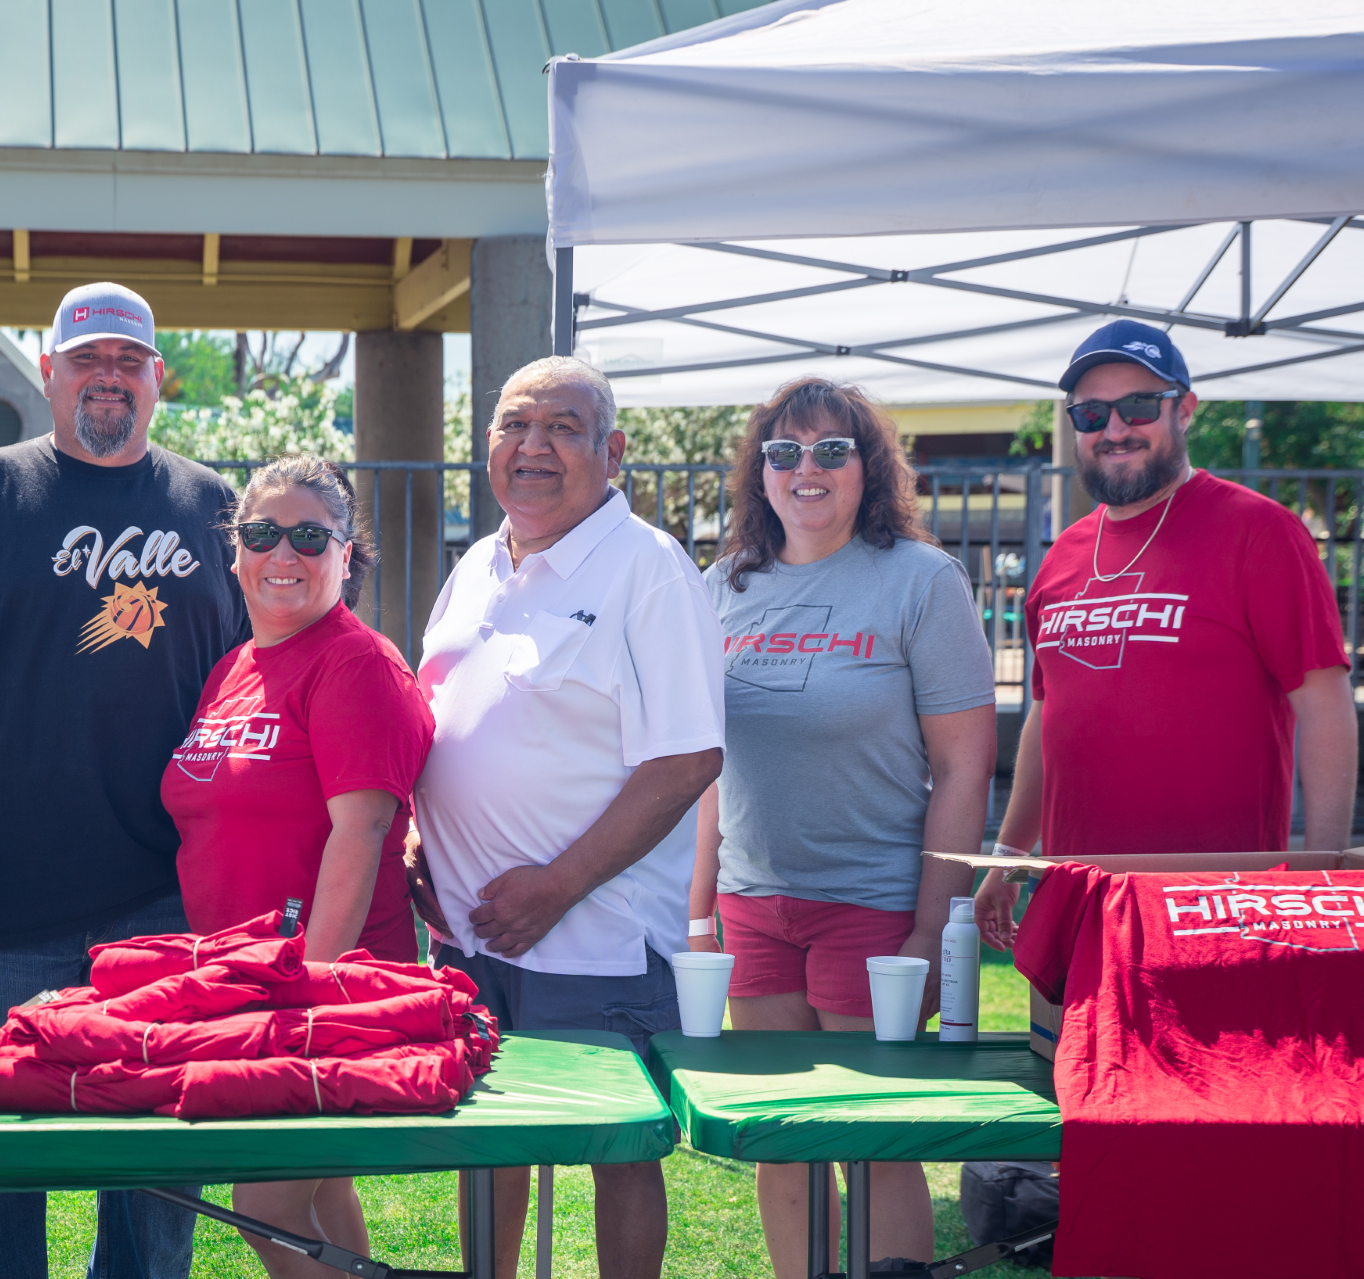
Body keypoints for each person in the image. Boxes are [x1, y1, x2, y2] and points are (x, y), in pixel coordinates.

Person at [0, 283, 248, 1279]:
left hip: (169, 900)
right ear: (49, 373)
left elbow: (263, 679)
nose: (107, 377)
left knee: (159, 1169)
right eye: (87, 360)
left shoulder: (214, 509)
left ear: (157, 377)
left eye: (127, 360)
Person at [407, 356, 725, 1279]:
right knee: (490, 1140)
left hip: (595, 940)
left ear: (612, 450)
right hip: (471, 938)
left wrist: (559, 885)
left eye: (563, 427)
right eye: (514, 424)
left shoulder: (650, 569)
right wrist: (425, 835)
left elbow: (686, 758)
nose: (533, 446)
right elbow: (442, 718)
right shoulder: (477, 564)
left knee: (616, 1148)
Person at [685, 377, 996, 1277]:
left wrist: (935, 925)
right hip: (753, 909)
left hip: (875, 907)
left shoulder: (920, 580)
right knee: (785, 1138)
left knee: (875, 1138)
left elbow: (966, 766)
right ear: (760, 472)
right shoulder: (721, 587)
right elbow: (704, 763)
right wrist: (701, 912)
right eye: (784, 451)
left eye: (831, 450)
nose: (806, 469)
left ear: (869, 467)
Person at [976, 320, 1357, 948]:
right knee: (1069, 1051)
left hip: (1213, 905)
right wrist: (1010, 857)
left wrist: (1322, 870)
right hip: (1082, 901)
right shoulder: (1064, 555)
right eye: (1093, 413)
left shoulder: (1258, 531)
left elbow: (1322, 701)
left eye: (1139, 406)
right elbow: (1050, 718)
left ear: (1184, 409)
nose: (1115, 429)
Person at [162, 456, 434, 1279]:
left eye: (310, 536)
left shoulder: (355, 664)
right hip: (242, 981)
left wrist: (305, 990)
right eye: (262, 532)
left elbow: (359, 833)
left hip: (325, 987)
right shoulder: (236, 667)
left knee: (266, 1203)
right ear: (235, 551)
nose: (284, 552)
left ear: (347, 556)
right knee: (317, 1196)